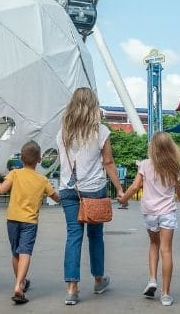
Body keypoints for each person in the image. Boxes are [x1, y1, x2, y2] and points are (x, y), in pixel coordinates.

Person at [57, 87, 125, 306]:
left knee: (73, 236)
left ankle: (71, 288)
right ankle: (98, 280)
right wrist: (120, 189)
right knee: (95, 237)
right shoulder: (100, 131)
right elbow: (108, 162)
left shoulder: (63, 132)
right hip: (94, 189)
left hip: (69, 189)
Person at [119, 132, 180, 307]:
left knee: (153, 244)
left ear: (152, 147)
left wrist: (124, 198)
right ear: (170, 147)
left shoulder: (145, 165)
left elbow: (136, 186)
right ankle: (165, 295)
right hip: (167, 212)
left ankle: (152, 280)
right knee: (166, 250)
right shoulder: (174, 167)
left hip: (150, 212)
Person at [0, 141, 60, 305]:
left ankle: (20, 282)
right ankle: (19, 286)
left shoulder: (14, 174)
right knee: (25, 252)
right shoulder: (42, 180)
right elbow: (56, 197)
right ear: (39, 159)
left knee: (15, 253)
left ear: (21, 158)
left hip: (12, 219)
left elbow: (0, 189)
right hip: (30, 222)